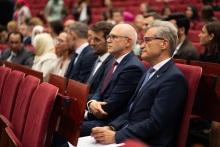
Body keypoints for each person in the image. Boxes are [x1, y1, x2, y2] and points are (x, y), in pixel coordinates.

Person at [91, 20, 188, 146]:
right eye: (143, 41)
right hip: (130, 134)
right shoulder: (150, 71)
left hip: (148, 142)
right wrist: (111, 127)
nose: (141, 46)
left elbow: (155, 124)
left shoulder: (173, 78)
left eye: (147, 40)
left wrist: (116, 136)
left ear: (164, 44)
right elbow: (130, 112)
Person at [81, 23, 147, 137]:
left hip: (110, 124)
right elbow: (99, 91)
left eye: (113, 37)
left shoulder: (133, 67)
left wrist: (86, 114)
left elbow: (110, 107)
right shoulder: (112, 62)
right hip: (97, 117)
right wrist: (91, 103)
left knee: (62, 125)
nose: (108, 41)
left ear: (128, 42)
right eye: (108, 37)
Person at [85, 21, 115, 100]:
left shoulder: (112, 64)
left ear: (109, 41)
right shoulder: (97, 59)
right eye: (91, 39)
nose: (92, 43)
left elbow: (100, 95)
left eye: (96, 40)